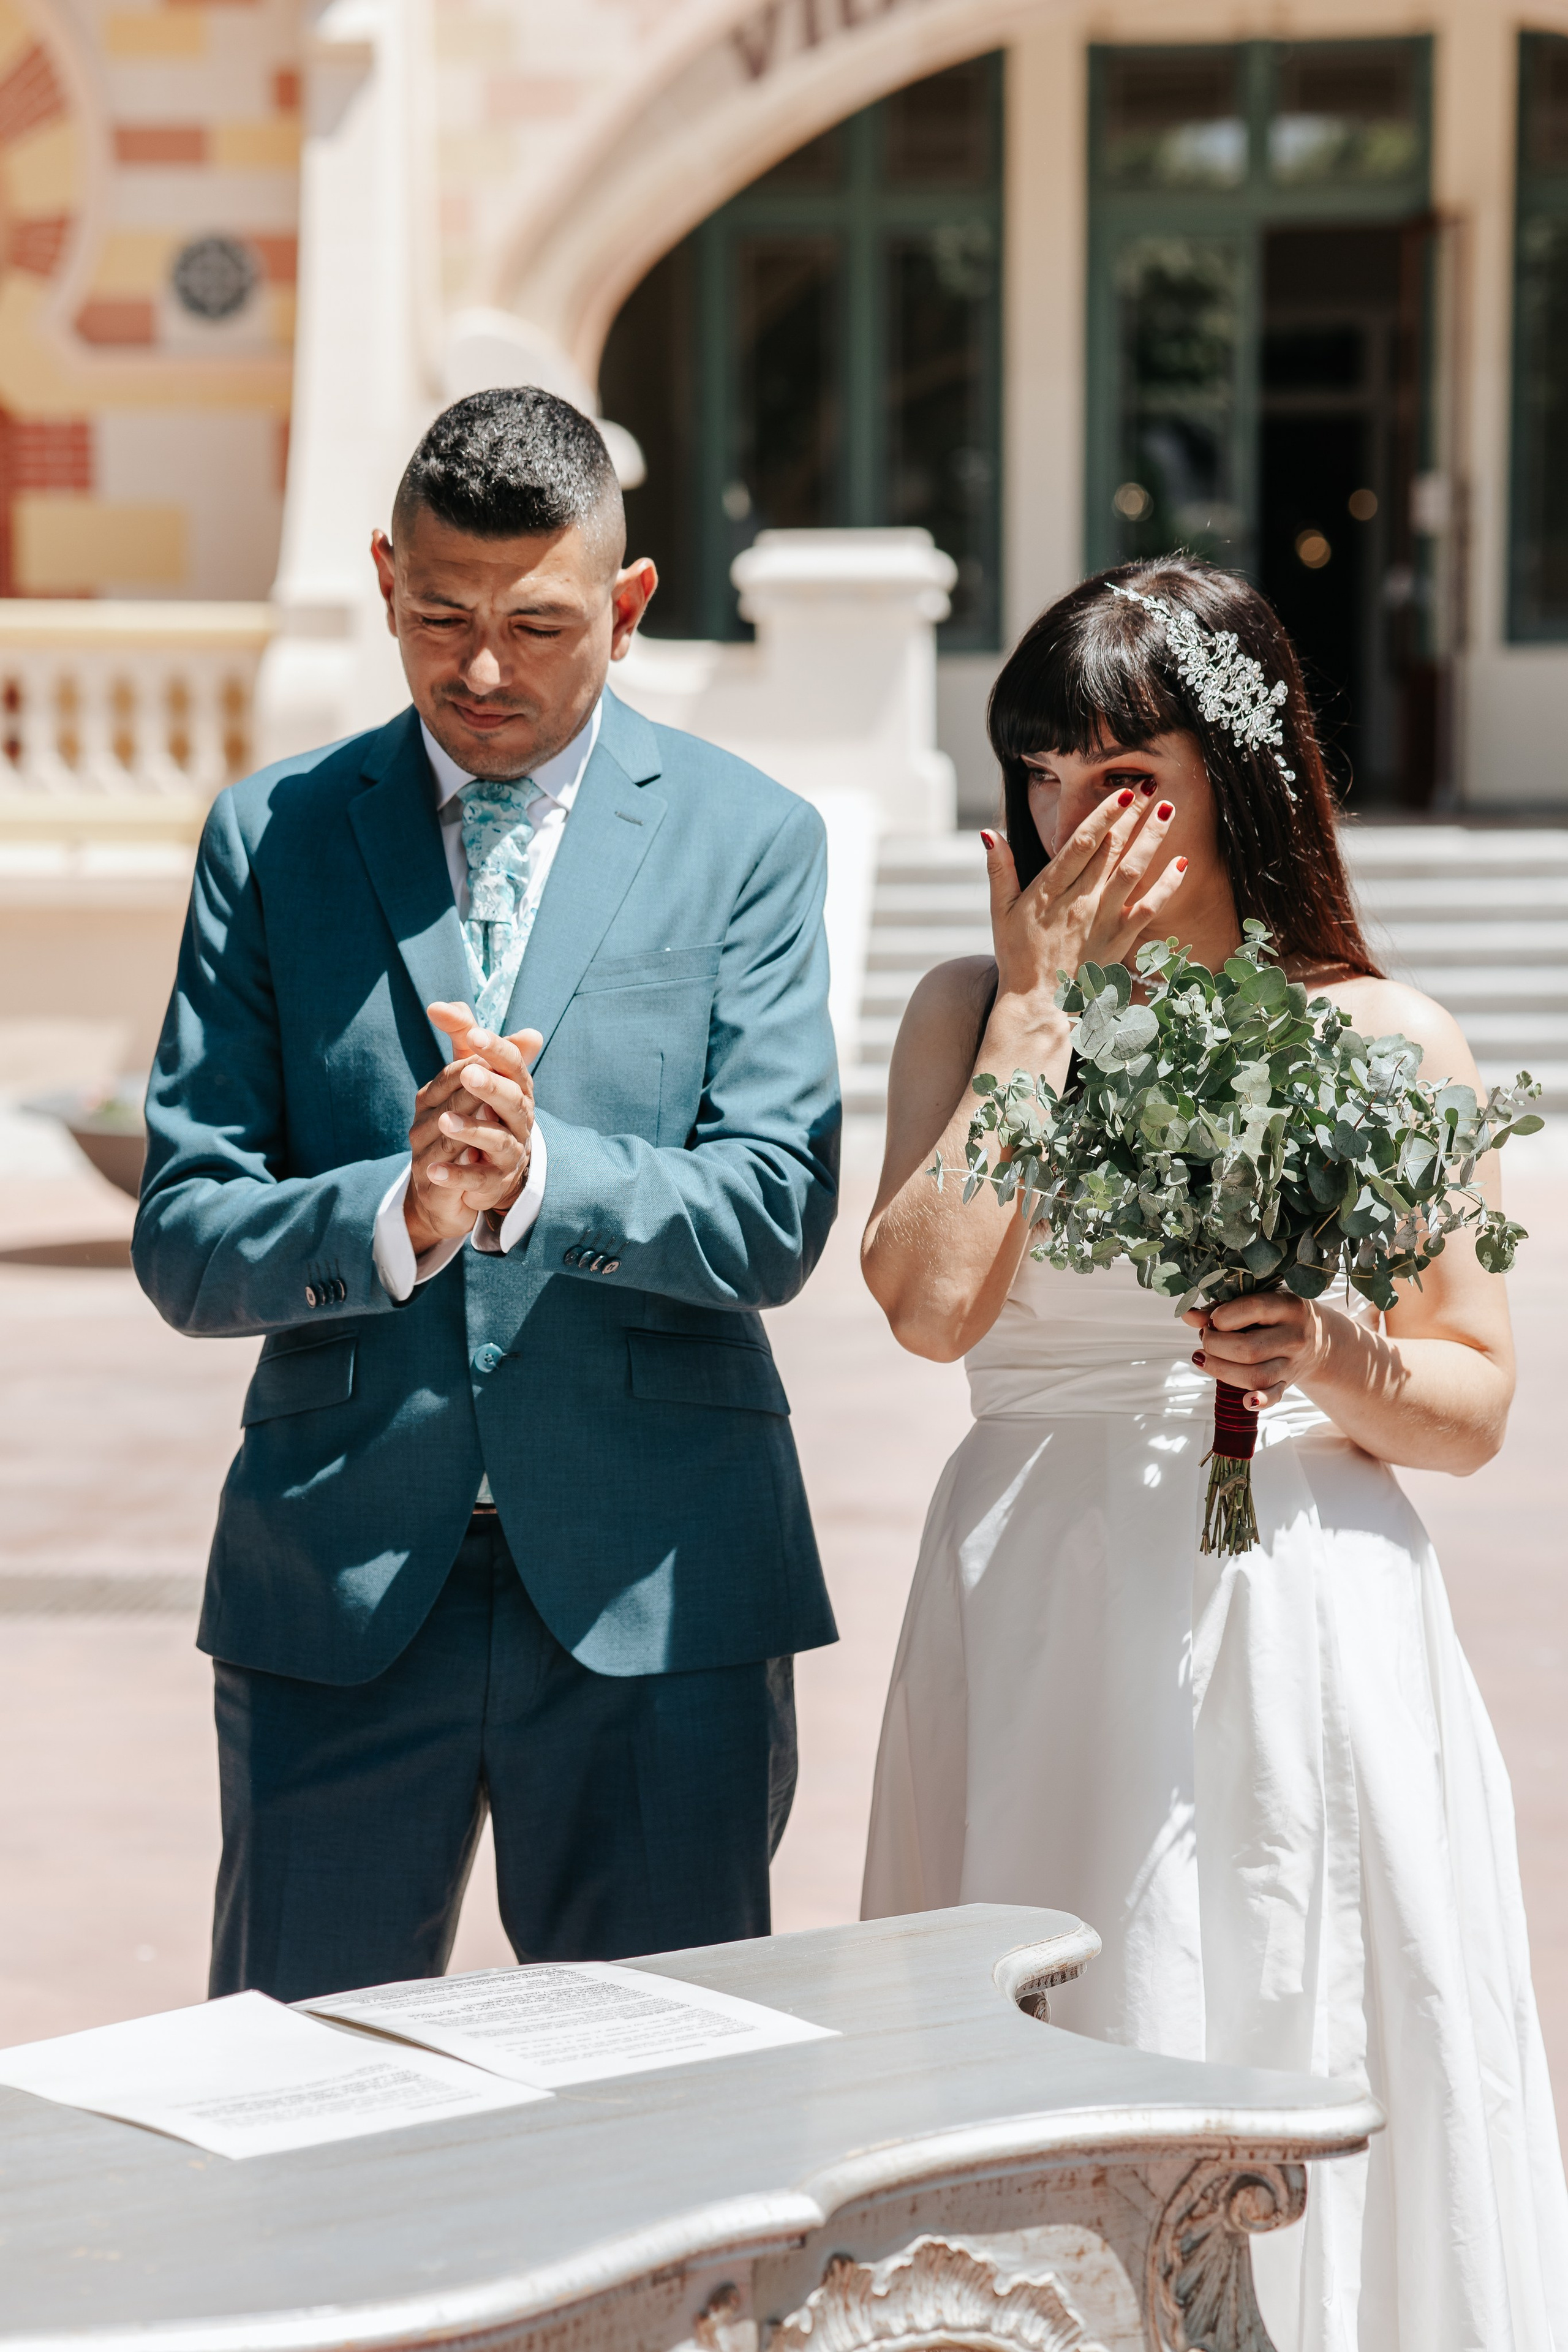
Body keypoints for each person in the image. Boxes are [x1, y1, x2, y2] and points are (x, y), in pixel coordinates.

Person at [859, 557, 1568, 2351]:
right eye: (1039, 776)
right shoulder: (968, 1010)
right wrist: (1036, 1012)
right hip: (1031, 1606)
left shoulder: (1384, 1038)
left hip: (1299, 1629)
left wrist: (1328, 1347)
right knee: (1045, 2042)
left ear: (1230, 775)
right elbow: (930, 1307)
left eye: (1121, 775)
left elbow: (1478, 1404)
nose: (1069, 819)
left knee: (1286, 2003)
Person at [134, 386, 839, 2002]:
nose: (482, 670)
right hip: (339, 1589)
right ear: (385, 577)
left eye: (538, 623)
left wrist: (542, 1184)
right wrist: (402, 1216)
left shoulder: (750, 841)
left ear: (631, 604)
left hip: (664, 1587)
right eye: (440, 615)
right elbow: (184, 1229)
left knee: (673, 2134)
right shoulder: (275, 837)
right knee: (305, 2104)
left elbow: (775, 1210)